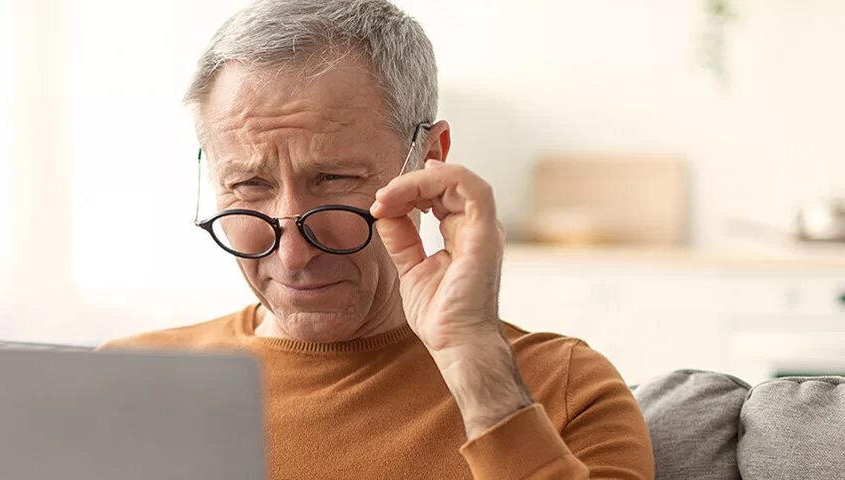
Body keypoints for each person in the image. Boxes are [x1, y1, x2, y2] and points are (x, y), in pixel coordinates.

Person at [97, 0, 653, 478]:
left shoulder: (564, 390)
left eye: (334, 180)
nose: (293, 254)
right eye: (249, 185)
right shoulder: (121, 380)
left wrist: (473, 362)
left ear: (428, 159)